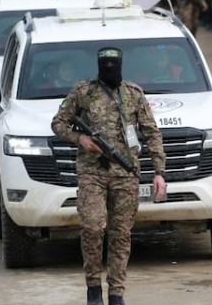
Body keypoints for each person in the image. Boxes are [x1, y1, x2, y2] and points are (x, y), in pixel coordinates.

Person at [51, 47, 167, 305]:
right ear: (98, 65)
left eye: (114, 64)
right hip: (92, 172)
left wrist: (159, 172)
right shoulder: (84, 92)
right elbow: (58, 123)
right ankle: (93, 288)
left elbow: (152, 133)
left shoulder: (133, 94)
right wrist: (80, 139)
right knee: (92, 227)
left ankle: (116, 293)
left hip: (125, 174)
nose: (110, 69)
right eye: (105, 64)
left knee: (120, 234)